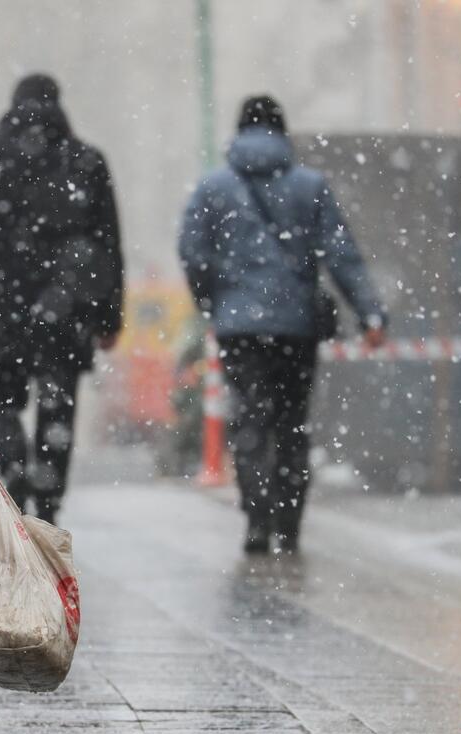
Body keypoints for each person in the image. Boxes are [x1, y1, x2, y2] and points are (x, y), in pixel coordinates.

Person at [178, 95, 387, 555]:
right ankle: (288, 524)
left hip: (239, 330)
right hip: (296, 326)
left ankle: (256, 517)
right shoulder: (309, 186)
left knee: (250, 420)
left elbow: (192, 252)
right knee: (292, 424)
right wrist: (371, 312)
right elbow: (341, 254)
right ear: (280, 132)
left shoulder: (214, 188)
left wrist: (214, 300)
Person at [0, 74, 124, 525]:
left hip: (0, 310)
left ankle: (14, 483)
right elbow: (108, 247)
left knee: (3, 404)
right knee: (57, 406)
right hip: (65, 315)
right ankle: (48, 501)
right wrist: (108, 316)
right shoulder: (86, 161)